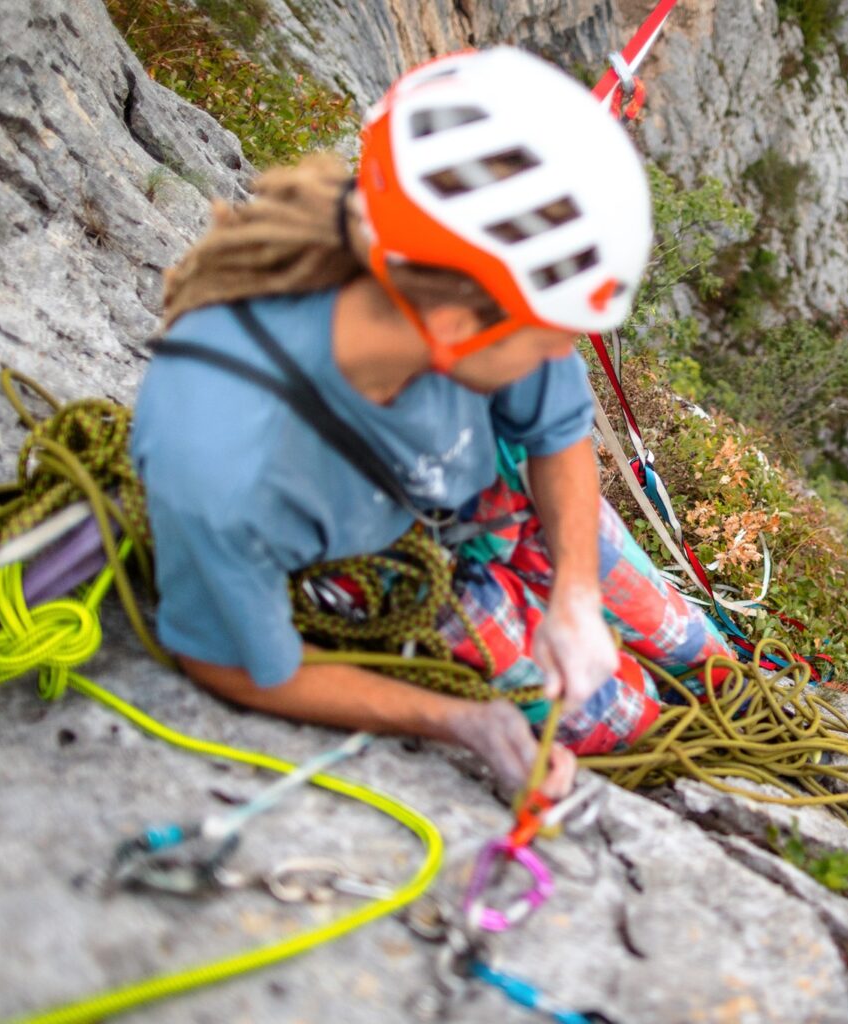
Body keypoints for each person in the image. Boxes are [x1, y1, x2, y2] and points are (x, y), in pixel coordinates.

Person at [130, 48, 733, 800]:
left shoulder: (452, 268)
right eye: (551, 332)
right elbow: (236, 664)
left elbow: (556, 432)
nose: (562, 350)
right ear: (452, 326)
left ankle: (706, 683)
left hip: (486, 494)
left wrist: (576, 592)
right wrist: (460, 720)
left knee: (697, 650)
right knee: (622, 719)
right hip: (384, 563)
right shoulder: (222, 462)